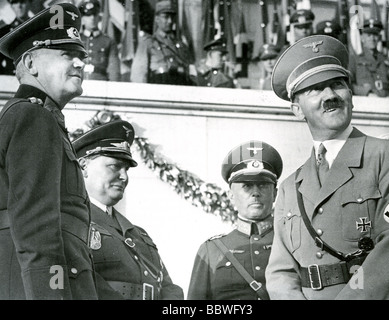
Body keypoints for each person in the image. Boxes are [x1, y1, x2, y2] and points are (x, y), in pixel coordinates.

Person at [266, 34, 389, 299]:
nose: (330, 96)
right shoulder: (291, 187)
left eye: (337, 84)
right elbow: (280, 272)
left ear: (351, 95)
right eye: (316, 89)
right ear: (297, 109)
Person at [0, 3, 99, 299]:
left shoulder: (37, 118)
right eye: (67, 55)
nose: (80, 63)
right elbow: (36, 227)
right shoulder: (34, 117)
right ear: (30, 64)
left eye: (81, 56)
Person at [73, 120, 184, 300]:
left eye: (126, 169)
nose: (124, 176)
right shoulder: (72, 223)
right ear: (84, 166)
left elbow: (168, 287)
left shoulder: (139, 234)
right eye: (114, 166)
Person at [187, 140, 283, 300]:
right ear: (231, 194)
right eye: (246, 186)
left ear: (275, 193)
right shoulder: (211, 250)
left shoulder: (291, 242)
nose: (255, 193)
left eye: (263, 185)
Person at [130, 0, 194, 85]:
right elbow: (138, 75)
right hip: (159, 89)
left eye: (172, 17)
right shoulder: (148, 43)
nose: (170, 21)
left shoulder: (182, 46)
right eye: (166, 17)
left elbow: (191, 73)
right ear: (157, 19)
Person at [349, 19, 389, 98]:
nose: (372, 38)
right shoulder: (354, 60)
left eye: (375, 35)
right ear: (362, 38)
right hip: (365, 102)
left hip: (388, 102)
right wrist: (367, 93)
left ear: (379, 37)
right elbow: (349, 84)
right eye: (369, 35)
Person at [78, 0, 121, 81]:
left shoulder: (108, 41)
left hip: (100, 83)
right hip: (78, 82)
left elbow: (114, 70)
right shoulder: (75, 40)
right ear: (82, 20)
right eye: (88, 15)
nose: (92, 18)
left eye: (94, 14)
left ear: (99, 17)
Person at [0, 0, 32, 75]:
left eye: (22, 2)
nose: (19, 6)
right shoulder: (3, 33)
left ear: (29, 4)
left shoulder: (39, 27)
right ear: (12, 6)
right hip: (14, 78)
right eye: (15, 2)